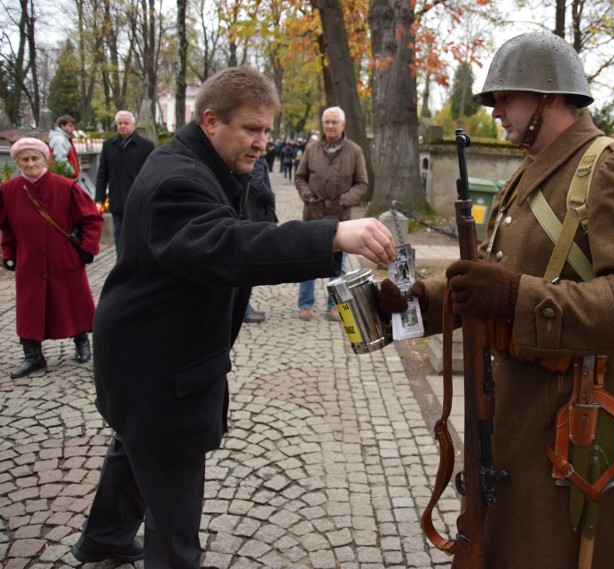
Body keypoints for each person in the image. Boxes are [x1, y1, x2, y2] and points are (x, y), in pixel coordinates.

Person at [69, 66, 395, 568]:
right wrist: (330, 235)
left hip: (146, 354)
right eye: (251, 129)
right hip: (155, 364)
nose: (262, 141)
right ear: (211, 121)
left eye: (266, 130)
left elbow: (245, 231)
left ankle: (103, 539)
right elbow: (227, 245)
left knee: (134, 451)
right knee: (174, 516)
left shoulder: (207, 165)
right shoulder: (179, 179)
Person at [379, 32, 614, 568]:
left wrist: (517, 296)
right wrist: (416, 303)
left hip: (578, 424)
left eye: (505, 97)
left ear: (550, 97)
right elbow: (493, 285)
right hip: (517, 415)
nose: (495, 111)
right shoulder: (527, 177)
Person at [0, 137, 103, 378]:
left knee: (72, 301)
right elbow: (6, 227)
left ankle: (82, 343)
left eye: (35, 158)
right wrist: (8, 254)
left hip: (63, 256)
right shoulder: (7, 190)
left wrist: (87, 248)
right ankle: (33, 356)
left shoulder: (65, 186)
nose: (30, 163)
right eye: (24, 159)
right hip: (29, 261)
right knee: (30, 307)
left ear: (45, 159)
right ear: (17, 162)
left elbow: (91, 219)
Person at [294, 106, 368, 322]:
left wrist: (345, 200)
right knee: (307, 261)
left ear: (343, 125)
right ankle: (305, 304)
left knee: (338, 264)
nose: (330, 126)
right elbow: (300, 177)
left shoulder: (354, 151)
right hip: (313, 213)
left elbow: (362, 183)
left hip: (339, 217)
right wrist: (308, 196)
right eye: (326, 122)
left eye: (334, 122)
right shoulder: (311, 149)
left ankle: (335, 306)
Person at [95, 110, 155, 255]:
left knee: (139, 236)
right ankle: (121, 266)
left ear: (133, 125)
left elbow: (153, 173)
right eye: (119, 123)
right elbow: (103, 174)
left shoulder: (146, 146)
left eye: (126, 123)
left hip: (139, 200)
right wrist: (99, 199)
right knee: (120, 236)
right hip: (118, 200)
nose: (122, 126)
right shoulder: (109, 145)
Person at [243, 155, 277, 323]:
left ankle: (246, 307)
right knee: (247, 267)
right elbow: (255, 182)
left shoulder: (256, 157)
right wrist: (270, 196)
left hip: (255, 213)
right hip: (255, 214)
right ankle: (245, 309)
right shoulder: (253, 159)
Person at [48, 115, 81, 180]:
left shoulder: (63, 138)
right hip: (64, 177)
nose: (73, 128)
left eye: (73, 126)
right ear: (62, 126)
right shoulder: (60, 140)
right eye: (70, 126)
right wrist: (72, 172)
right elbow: (60, 160)